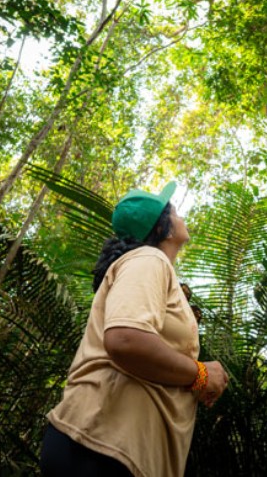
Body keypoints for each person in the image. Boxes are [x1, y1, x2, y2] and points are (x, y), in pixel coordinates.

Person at [40, 182, 229, 477]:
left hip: (110, 448)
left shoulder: (149, 268)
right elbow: (126, 340)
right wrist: (201, 374)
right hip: (102, 446)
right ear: (165, 230)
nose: (182, 217)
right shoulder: (149, 259)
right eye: (176, 212)